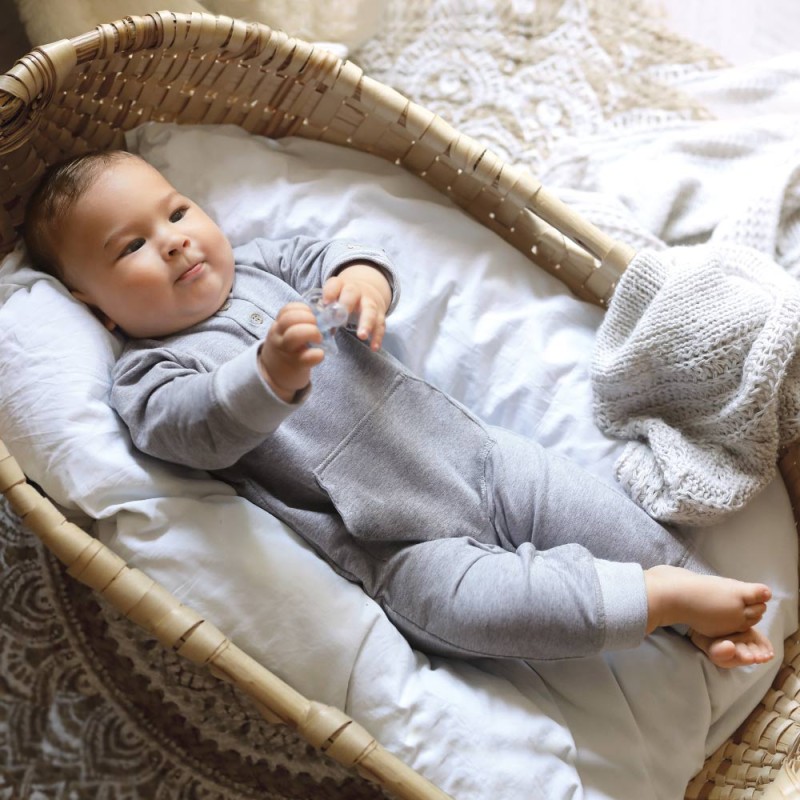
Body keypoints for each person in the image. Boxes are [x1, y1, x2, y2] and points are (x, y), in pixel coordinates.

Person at [23, 149, 775, 668]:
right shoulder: (147, 371)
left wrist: (363, 281)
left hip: (474, 458)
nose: (174, 243)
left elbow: (337, 253)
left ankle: (693, 596)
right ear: (95, 306)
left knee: (588, 510)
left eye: (178, 212)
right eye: (130, 247)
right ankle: (653, 599)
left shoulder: (262, 267)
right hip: (393, 546)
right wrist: (266, 375)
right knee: (478, 611)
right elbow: (195, 429)